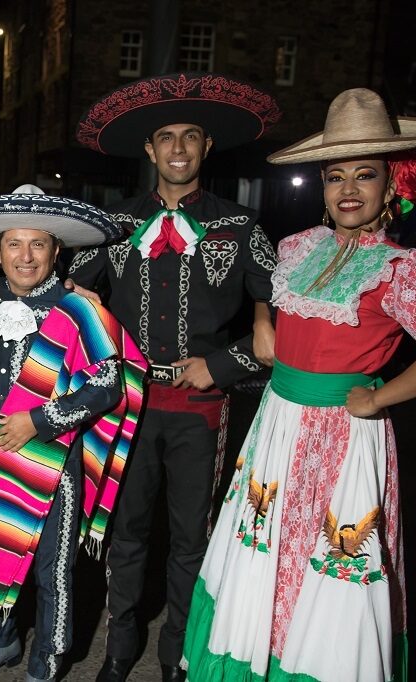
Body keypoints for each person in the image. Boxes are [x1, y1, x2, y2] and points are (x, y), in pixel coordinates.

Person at [183, 88, 416, 682]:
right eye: (335, 176)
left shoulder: (404, 268)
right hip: (276, 424)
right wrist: (260, 319)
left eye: (364, 175)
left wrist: (380, 397)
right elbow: (268, 305)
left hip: (344, 436)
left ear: (393, 183)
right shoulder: (296, 246)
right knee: (265, 551)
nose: (348, 189)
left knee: (330, 565)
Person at [68, 72, 281, 682]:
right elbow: (73, 305)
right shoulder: (111, 226)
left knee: (192, 540)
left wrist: (219, 363)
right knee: (126, 535)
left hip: (201, 409)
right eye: (166, 137)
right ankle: (118, 651)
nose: (179, 148)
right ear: (150, 149)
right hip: (126, 408)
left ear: (207, 147)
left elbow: (285, 326)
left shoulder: (241, 228)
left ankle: (177, 656)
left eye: (191, 136)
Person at [0, 185, 148, 681]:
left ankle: (45, 663)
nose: (25, 257)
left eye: (38, 245)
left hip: (56, 463)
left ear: (56, 251)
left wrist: (39, 421)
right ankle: (1, 641)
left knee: (53, 572)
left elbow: (107, 388)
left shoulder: (79, 309)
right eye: (13, 244)